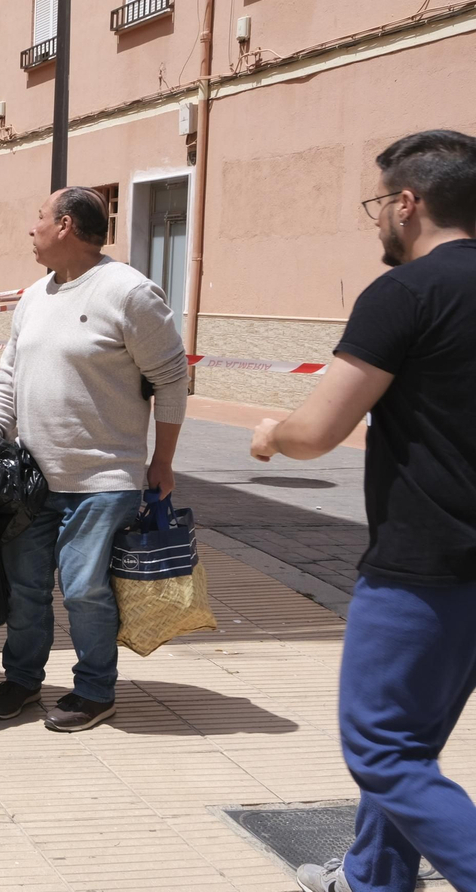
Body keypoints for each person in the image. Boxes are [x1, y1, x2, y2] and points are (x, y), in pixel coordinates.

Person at [250, 131, 476, 892]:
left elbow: (318, 431)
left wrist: (272, 432)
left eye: (378, 203)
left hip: (426, 564)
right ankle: (373, 878)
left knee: (384, 747)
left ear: (408, 204)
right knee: (413, 742)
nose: (376, 219)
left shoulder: (404, 293)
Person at [0, 186, 188, 732]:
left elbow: (171, 380)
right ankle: (23, 679)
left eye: (39, 217)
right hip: (31, 480)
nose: (33, 228)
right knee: (25, 587)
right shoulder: (33, 297)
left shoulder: (129, 292)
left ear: (66, 225)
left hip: (102, 478)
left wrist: (162, 462)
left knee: (83, 589)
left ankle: (95, 690)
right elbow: (9, 375)